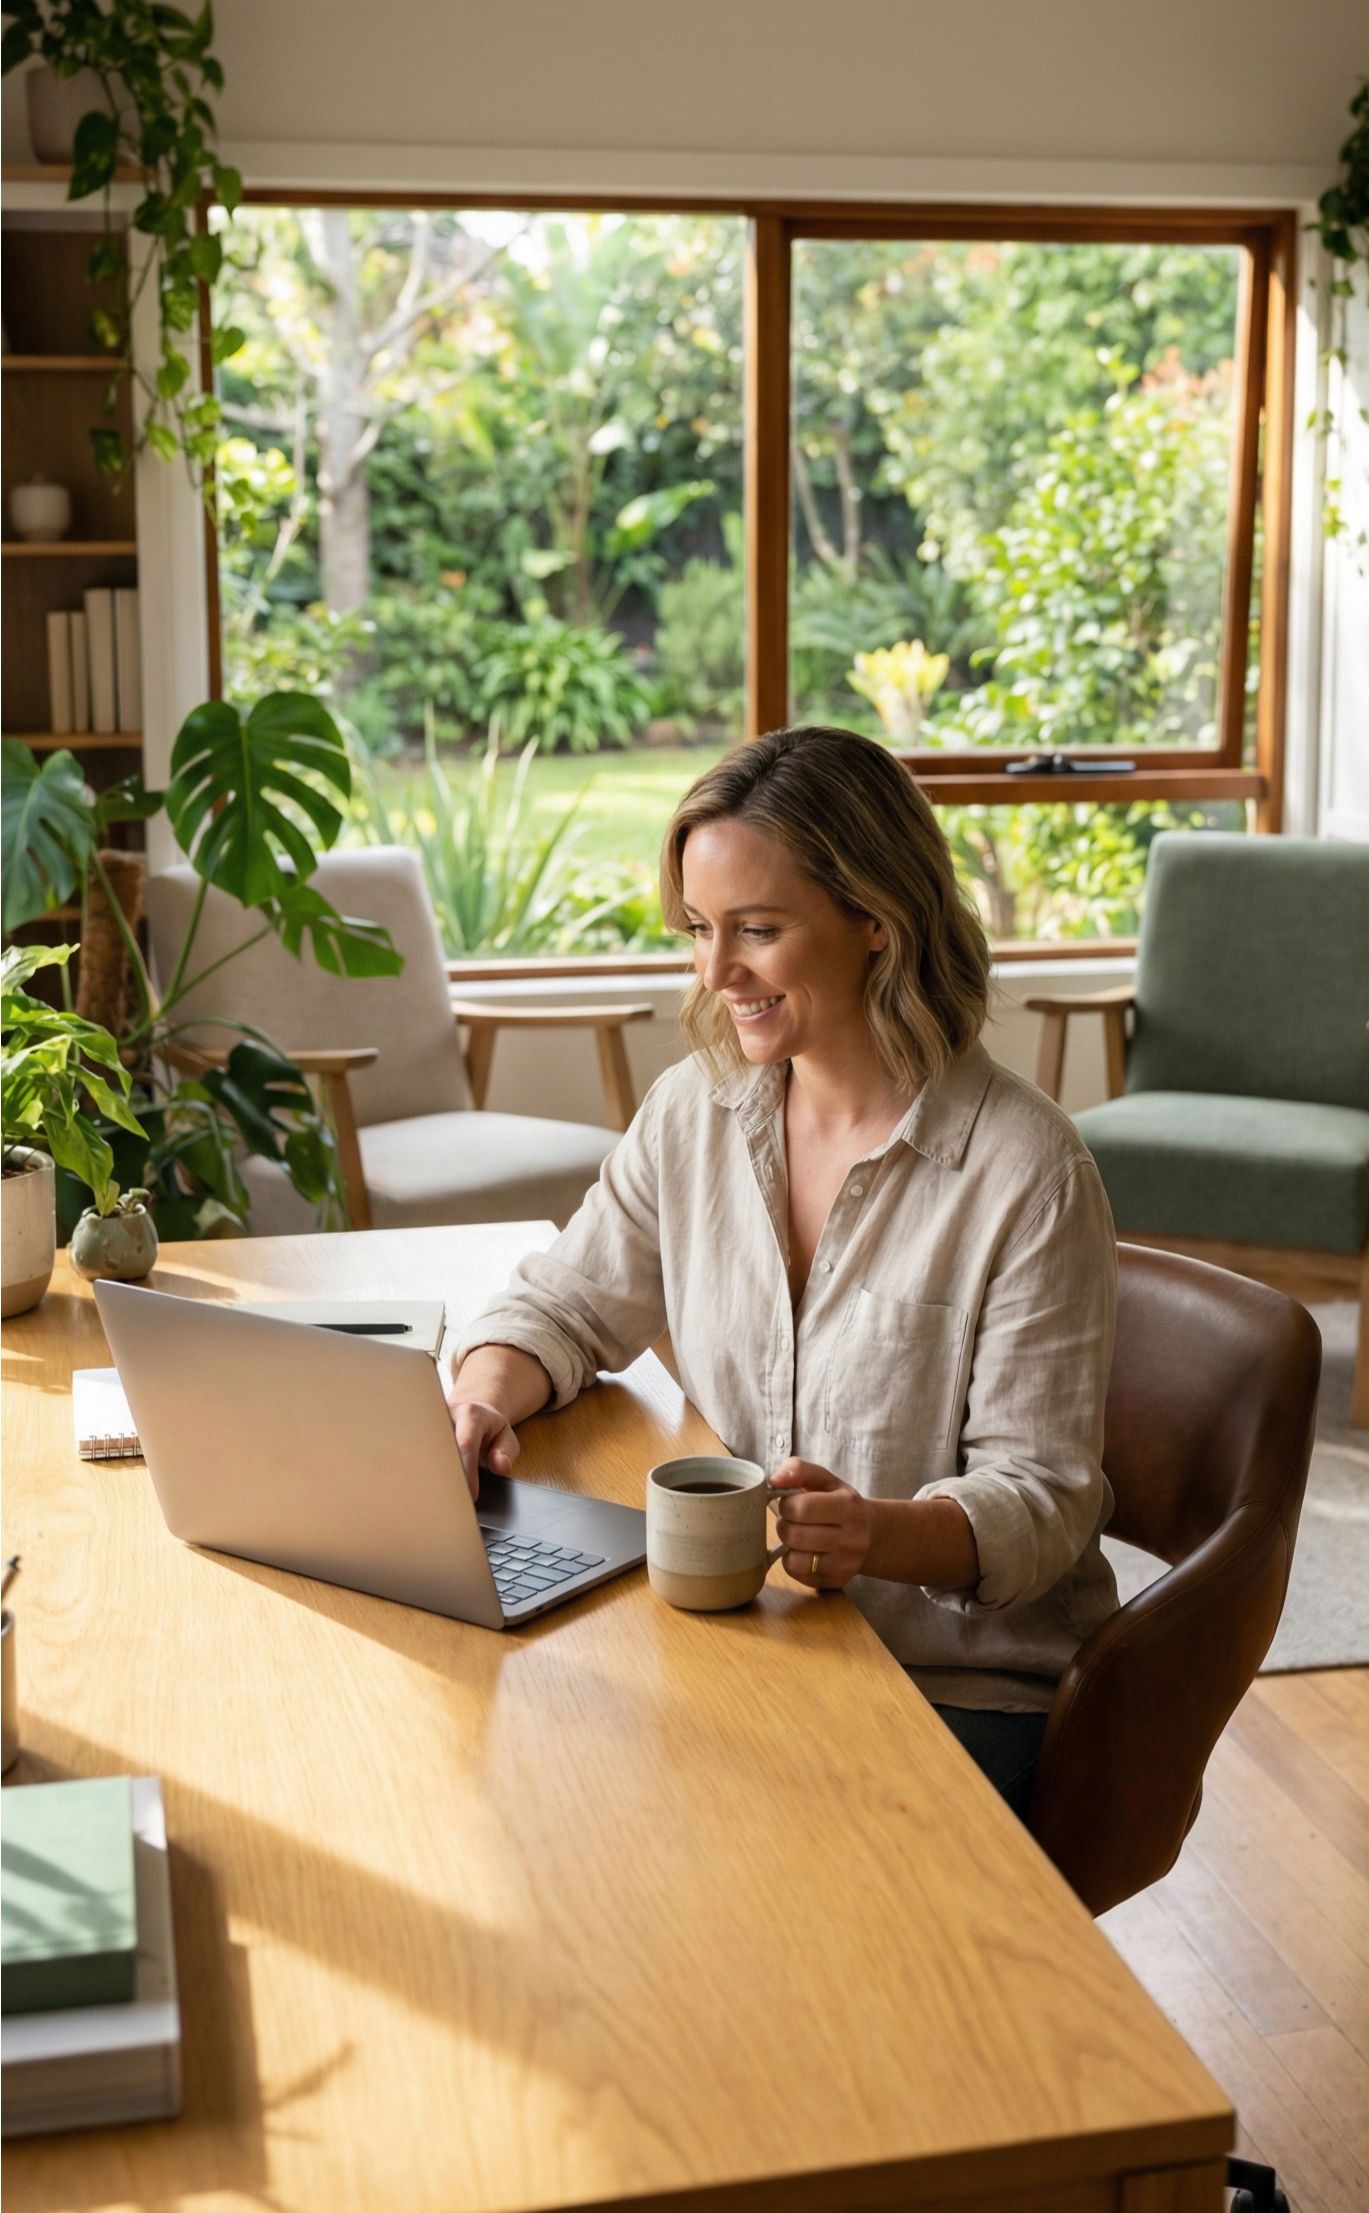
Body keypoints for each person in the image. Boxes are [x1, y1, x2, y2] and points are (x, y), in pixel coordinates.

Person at [448, 726, 1118, 1827]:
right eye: (699, 929)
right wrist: (481, 1397)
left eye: (756, 929)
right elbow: (565, 1300)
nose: (716, 973)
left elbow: (1041, 1498)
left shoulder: (1028, 1173)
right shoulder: (695, 1111)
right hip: (757, 1642)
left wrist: (879, 1533)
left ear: (876, 918)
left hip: (954, 1685)